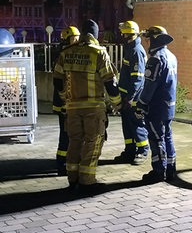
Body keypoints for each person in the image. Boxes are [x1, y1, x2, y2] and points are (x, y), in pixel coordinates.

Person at [53, 19, 121, 193]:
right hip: (93, 108)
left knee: (74, 141)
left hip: (72, 108)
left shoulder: (66, 52)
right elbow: (110, 82)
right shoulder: (98, 53)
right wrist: (117, 103)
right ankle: (87, 180)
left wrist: (64, 97)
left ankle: (73, 178)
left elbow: (57, 79)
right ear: (96, 34)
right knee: (93, 141)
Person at [136, 26, 178, 183]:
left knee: (156, 138)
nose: (146, 43)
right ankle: (171, 169)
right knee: (167, 136)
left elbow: (149, 86)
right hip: (169, 106)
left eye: (148, 39)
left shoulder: (155, 59)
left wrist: (140, 104)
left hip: (157, 108)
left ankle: (159, 171)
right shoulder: (171, 56)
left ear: (154, 40)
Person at [113, 20, 149, 165]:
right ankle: (129, 151)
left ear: (131, 35)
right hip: (126, 96)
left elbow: (138, 79)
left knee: (137, 124)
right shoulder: (130, 49)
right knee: (127, 126)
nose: (123, 37)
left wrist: (129, 98)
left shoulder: (136, 51)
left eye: (125, 35)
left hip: (133, 98)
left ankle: (143, 151)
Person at [52, 26, 80, 176]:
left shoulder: (64, 54)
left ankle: (65, 162)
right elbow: (59, 81)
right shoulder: (64, 55)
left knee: (69, 133)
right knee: (66, 134)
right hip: (64, 103)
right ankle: (62, 164)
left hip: (65, 102)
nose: (77, 41)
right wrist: (64, 101)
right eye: (75, 38)